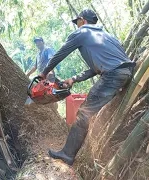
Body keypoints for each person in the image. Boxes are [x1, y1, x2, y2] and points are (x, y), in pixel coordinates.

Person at [38, 9, 135, 165]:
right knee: (95, 110)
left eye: (77, 23)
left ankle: (67, 154)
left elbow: (60, 53)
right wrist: (73, 79)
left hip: (112, 75)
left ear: (82, 20)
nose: (77, 26)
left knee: (83, 113)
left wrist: (44, 73)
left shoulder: (82, 32)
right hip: (127, 72)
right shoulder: (106, 36)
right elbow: (95, 68)